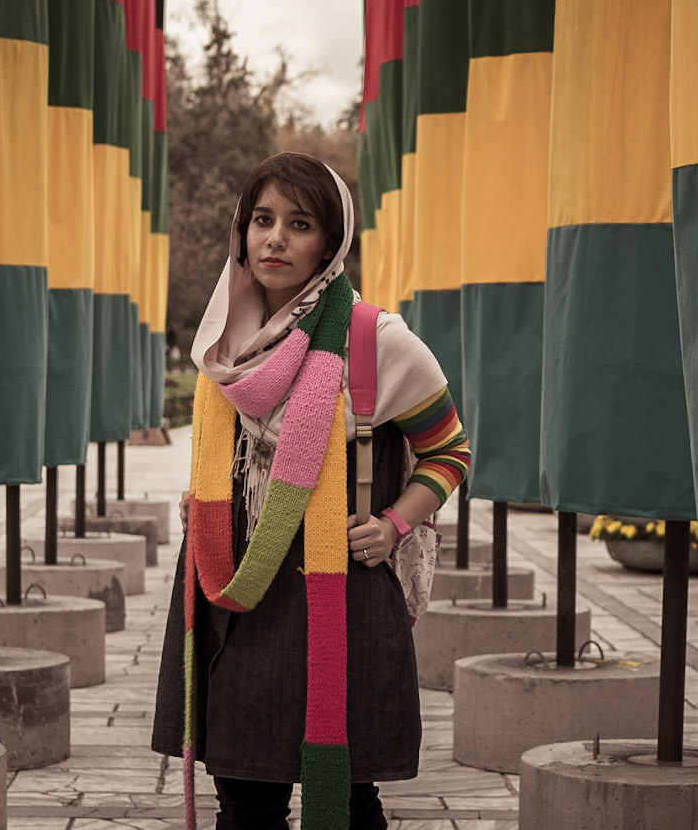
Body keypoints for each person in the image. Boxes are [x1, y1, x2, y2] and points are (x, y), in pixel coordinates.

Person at [152, 152, 471, 830]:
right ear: (241, 233)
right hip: (233, 590)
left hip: (337, 594)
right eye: (261, 219)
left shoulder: (375, 340)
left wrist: (393, 523)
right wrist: (209, 499)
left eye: (298, 224)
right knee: (242, 797)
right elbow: (236, 452)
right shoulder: (222, 341)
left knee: (350, 799)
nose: (275, 238)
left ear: (331, 242)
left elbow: (449, 450)